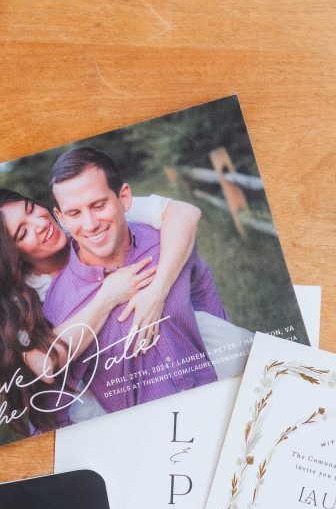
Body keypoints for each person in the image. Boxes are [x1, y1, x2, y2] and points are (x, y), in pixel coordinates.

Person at [0, 187, 202, 433]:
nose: (41, 223)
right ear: (8, 255)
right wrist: (107, 296)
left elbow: (184, 213)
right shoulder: (19, 299)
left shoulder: (80, 220)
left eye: (32, 209)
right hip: (86, 409)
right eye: (23, 232)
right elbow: (43, 362)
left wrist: (158, 289)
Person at [44, 147, 233, 412]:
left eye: (98, 206)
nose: (89, 224)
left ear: (124, 197)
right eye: (74, 214)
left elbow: (204, 293)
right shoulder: (59, 307)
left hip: (218, 402)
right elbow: (55, 407)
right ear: (60, 217)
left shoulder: (164, 244)